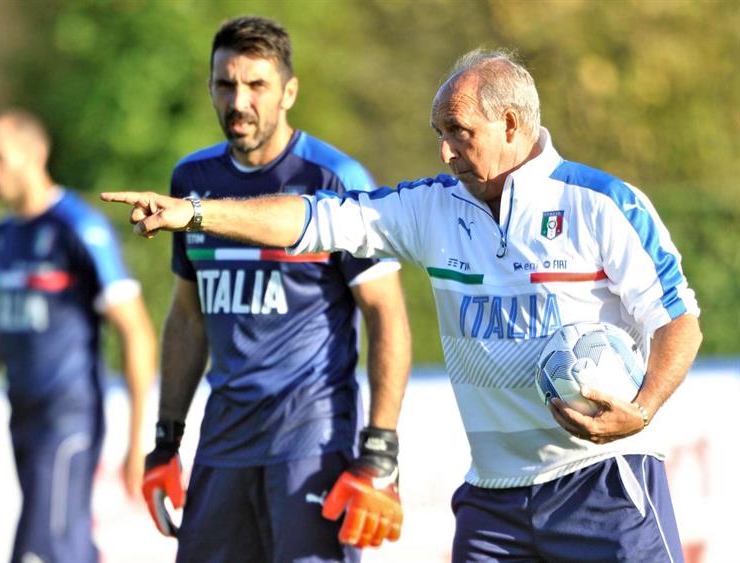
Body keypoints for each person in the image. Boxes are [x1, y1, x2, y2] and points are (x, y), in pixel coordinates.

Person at [104, 47, 704, 562]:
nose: (444, 152)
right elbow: (316, 218)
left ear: (513, 125)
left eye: (458, 131)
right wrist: (198, 213)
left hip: (602, 484)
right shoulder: (434, 207)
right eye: (438, 134)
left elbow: (679, 321)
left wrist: (643, 408)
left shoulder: (601, 204)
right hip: (493, 499)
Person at [134, 16, 411, 563]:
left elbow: (386, 313)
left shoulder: (334, 179)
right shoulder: (190, 181)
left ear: (289, 91)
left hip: (310, 442)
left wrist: (380, 448)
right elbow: (187, 318)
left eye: (256, 85)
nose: (239, 101)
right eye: (225, 84)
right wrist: (166, 442)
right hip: (222, 443)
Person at [0, 108, 156, 563]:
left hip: (69, 421)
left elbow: (136, 331)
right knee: (68, 548)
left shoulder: (77, 227)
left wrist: (141, 441)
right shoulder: (2, 236)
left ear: (35, 153)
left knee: (39, 553)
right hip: (24, 420)